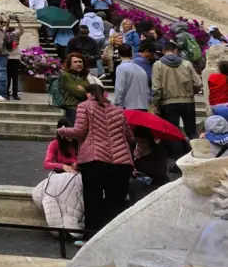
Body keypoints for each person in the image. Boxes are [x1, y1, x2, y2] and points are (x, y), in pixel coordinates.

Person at [57, 83, 134, 234]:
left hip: (94, 159)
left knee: (93, 198)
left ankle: (91, 234)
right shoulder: (118, 110)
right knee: (116, 200)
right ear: (104, 93)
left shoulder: (84, 106)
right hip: (121, 162)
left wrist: (62, 130)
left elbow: (79, 131)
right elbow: (129, 137)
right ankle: (114, 233)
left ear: (88, 94)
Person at [34, 119, 84, 237]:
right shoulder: (55, 144)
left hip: (76, 176)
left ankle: (70, 224)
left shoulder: (80, 143)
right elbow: (47, 163)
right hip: (60, 176)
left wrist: (79, 165)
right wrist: (63, 166)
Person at [151, 39, 202, 156]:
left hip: (168, 103)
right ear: (176, 51)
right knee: (192, 131)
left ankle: (177, 160)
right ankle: (198, 155)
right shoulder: (186, 64)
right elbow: (198, 83)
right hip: (188, 101)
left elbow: (156, 88)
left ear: (164, 51)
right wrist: (191, 93)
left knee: (173, 133)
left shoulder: (158, 65)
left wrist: (156, 104)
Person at [128, 128, 170, 204]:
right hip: (137, 180)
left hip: (155, 181)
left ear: (149, 141)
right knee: (132, 183)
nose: (140, 144)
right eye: (138, 141)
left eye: (143, 142)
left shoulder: (158, 150)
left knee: (135, 184)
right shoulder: (133, 146)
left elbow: (161, 172)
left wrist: (142, 158)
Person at [112, 43, 150, 111]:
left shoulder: (121, 68)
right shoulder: (141, 69)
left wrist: (117, 105)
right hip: (143, 106)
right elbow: (147, 90)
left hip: (128, 107)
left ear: (119, 54)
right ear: (132, 53)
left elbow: (120, 89)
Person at [56, 53, 89, 126]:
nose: (78, 64)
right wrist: (87, 92)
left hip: (85, 109)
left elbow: (91, 92)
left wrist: (85, 90)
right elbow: (80, 94)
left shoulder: (83, 77)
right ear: (70, 65)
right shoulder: (66, 76)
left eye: (80, 62)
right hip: (73, 109)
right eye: (75, 62)